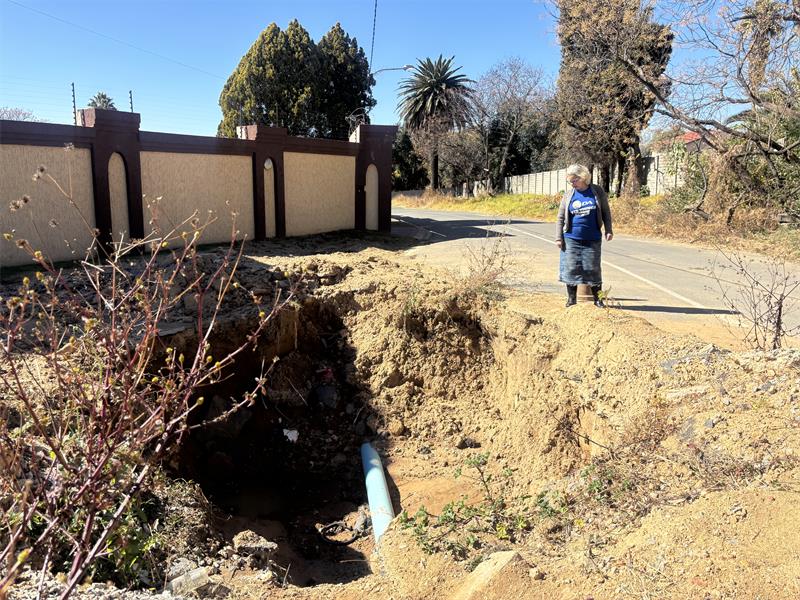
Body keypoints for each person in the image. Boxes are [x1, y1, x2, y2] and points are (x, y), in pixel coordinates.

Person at [555, 164, 613, 307]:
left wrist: (608, 230)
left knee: (593, 269)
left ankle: (598, 300)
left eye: (575, 181)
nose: (572, 184)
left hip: (592, 237)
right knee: (570, 268)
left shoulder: (596, 191)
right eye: (570, 182)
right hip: (571, 238)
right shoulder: (569, 195)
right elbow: (560, 217)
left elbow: (606, 212)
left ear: (583, 178)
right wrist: (558, 237)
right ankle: (571, 299)